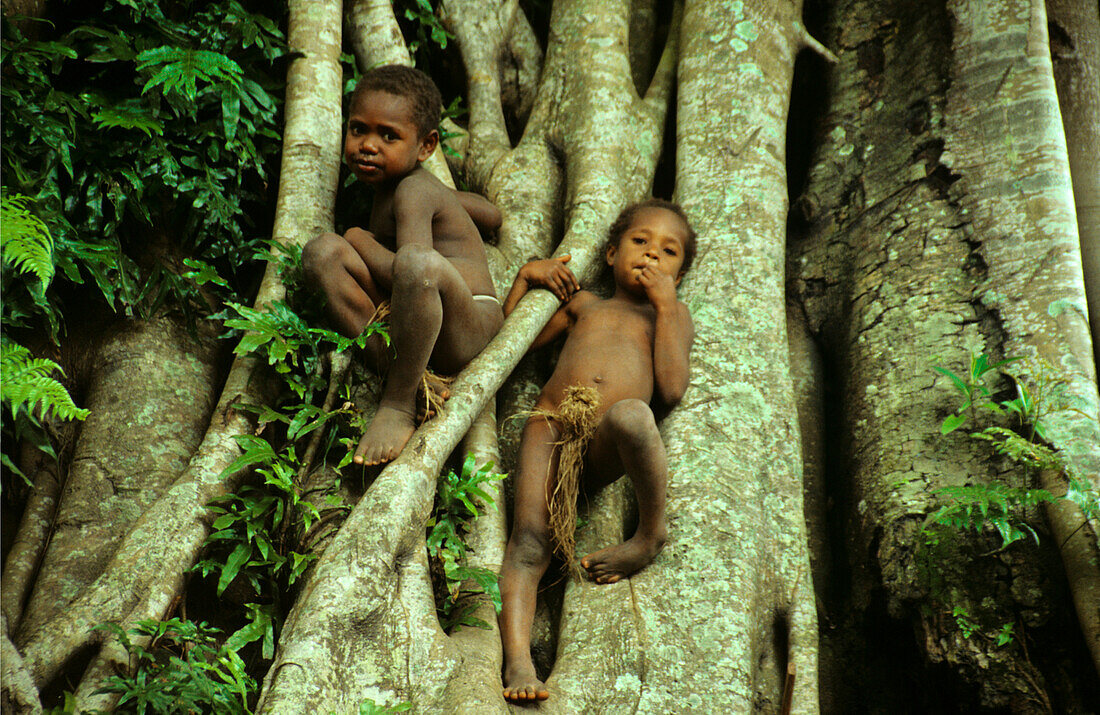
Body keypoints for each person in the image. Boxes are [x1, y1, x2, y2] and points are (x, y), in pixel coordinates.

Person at [497, 199, 696, 703]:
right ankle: (517, 659)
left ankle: (650, 535)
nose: (651, 255)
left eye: (668, 252)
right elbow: (505, 347)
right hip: (552, 425)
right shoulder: (583, 305)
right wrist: (526, 279)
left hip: (606, 439)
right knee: (527, 542)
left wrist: (668, 305)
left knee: (633, 415)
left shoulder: (668, 316)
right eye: (640, 242)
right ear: (610, 253)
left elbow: (671, 388)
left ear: (678, 273)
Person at [303, 64, 503, 466]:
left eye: (389, 136)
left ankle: (397, 404)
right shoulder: (409, 186)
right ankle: (411, 375)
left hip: (466, 324)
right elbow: (490, 215)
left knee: (415, 262)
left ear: (427, 146)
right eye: (359, 129)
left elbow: (407, 272)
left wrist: (359, 239)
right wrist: (461, 207)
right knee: (321, 253)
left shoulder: (413, 188)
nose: (368, 145)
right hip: (423, 320)